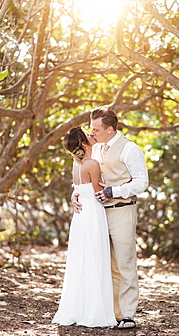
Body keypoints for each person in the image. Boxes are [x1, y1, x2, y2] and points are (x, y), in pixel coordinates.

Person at [73, 108, 149, 330]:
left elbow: (141, 182)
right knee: (106, 263)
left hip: (122, 210)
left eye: (96, 129)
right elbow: (83, 177)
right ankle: (111, 312)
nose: (91, 132)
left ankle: (127, 314)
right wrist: (75, 194)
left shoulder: (129, 149)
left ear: (110, 128)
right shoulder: (92, 149)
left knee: (124, 263)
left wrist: (113, 191)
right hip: (97, 213)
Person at [52, 126, 116, 328]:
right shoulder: (92, 164)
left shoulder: (76, 164)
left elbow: (79, 189)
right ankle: (94, 311)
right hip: (93, 214)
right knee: (95, 260)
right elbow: (99, 193)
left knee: (82, 263)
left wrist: (75, 195)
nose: (92, 134)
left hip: (80, 217)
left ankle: (80, 308)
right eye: (88, 134)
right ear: (83, 143)